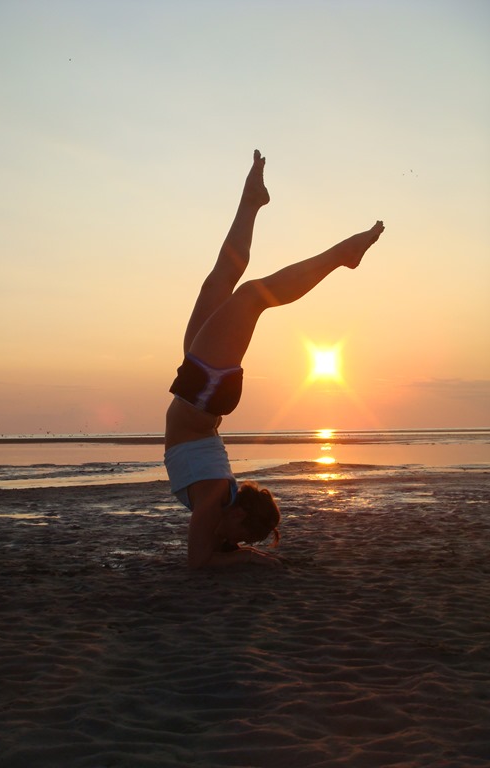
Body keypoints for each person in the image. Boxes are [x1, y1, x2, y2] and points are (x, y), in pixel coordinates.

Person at [164, 150, 384, 569]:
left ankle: (253, 202)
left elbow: (198, 563)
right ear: (240, 515)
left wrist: (246, 555)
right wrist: (251, 556)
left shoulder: (215, 500)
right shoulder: (217, 496)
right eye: (244, 535)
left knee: (226, 279)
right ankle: (341, 255)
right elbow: (204, 559)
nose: (237, 540)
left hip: (200, 393)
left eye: (244, 540)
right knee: (251, 295)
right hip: (203, 394)